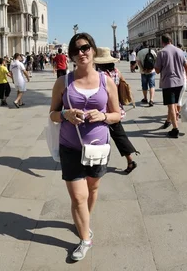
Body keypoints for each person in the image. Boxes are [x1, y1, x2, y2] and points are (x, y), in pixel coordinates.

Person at [49, 33, 121, 261]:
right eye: (77, 50)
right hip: (70, 146)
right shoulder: (63, 82)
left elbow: (118, 114)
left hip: (98, 147)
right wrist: (65, 113)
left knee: (92, 190)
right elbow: (52, 114)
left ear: (93, 50)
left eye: (86, 47)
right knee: (78, 197)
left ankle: (84, 221)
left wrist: (103, 115)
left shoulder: (106, 81)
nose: (82, 52)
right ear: (71, 55)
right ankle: (85, 239)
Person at [94, 47, 139, 173]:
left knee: (115, 136)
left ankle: (130, 160)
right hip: (116, 107)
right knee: (118, 134)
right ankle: (129, 160)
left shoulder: (101, 76)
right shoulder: (116, 71)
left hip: (105, 110)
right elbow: (123, 83)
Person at [154, 35, 187, 138]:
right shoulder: (180, 51)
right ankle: (168, 121)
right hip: (180, 82)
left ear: (162, 41)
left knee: (171, 105)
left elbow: (157, 70)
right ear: (171, 40)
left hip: (168, 83)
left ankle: (175, 129)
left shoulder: (161, 52)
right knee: (173, 104)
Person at [136, 42, 157, 106]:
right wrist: (152, 68)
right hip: (152, 71)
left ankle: (145, 98)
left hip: (143, 72)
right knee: (152, 85)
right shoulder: (152, 51)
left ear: (143, 46)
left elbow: (138, 62)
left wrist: (142, 69)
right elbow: (156, 60)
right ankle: (151, 100)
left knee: (144, 85)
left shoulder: (140, 52)